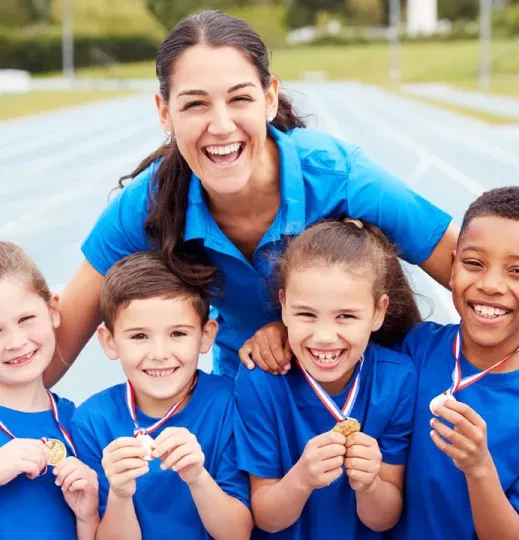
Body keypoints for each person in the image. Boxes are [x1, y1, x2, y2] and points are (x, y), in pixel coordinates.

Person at [45, 9, 458, 385]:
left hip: (368, 387)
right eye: (195, 104)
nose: (221, 125)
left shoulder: (339, 175)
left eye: (240, 98)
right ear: (165, 112)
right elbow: (56, 349)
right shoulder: (147, 202)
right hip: (252, 389)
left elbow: (478, 277)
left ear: (270, 97)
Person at [234, 219, 419, 538]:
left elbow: (385, 519)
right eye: (306, 314)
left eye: (346, 316)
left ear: (378, 312)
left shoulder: (398, 379)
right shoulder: (260, 381)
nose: (324, 336)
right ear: (284, 306)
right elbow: (266, 517)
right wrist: (302, 478)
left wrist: (371, 484)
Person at [390, 186, 519, 540]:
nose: (490, 284)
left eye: (518, 271)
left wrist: (478, 468)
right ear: (453, 267)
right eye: (474, 263)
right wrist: (277, 332)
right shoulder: (415, 347)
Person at [69, 251, 252, 540]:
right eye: (139, 336)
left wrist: (197, 477)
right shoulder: (92, 421)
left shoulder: (231, 403)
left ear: (206, 335)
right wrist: (120, 493)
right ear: (109, 341)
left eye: (178, 333)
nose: (159, 354)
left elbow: (238, 533)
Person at [0, 241, 99, 539]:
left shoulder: (81, 423)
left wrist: (88, 517)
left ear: (53, 310)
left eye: (25, 319)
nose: (16, 342)